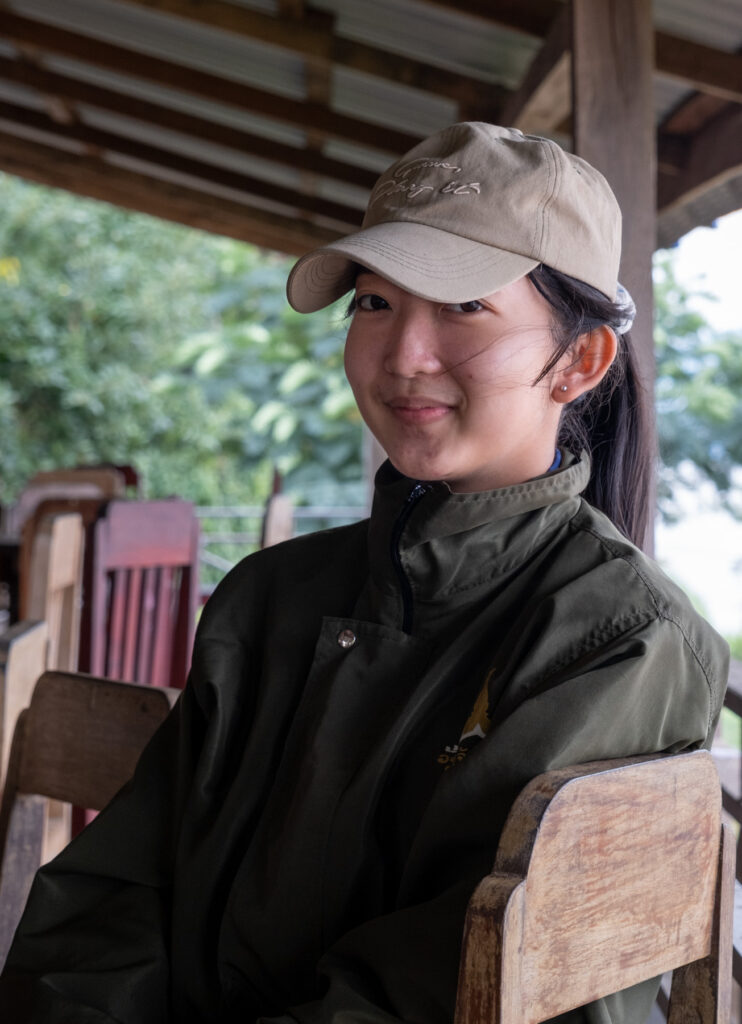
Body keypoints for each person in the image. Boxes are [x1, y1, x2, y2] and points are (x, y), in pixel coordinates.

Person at [0, 123, 728, 1024]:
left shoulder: (623, 638)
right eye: (375, 305)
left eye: (463, 307)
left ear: (577, 361)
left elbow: (453, 983)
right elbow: (118, 888)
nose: (403, 353)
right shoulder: (270, 598)